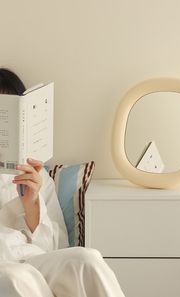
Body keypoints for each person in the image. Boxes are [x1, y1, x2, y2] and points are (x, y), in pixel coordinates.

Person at [0, 68, 125, 297]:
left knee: (85, 259)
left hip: (33, 259)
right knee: (13, 278)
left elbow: (56, 248)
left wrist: (32, 207)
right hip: (5, 269)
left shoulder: (36, 176)